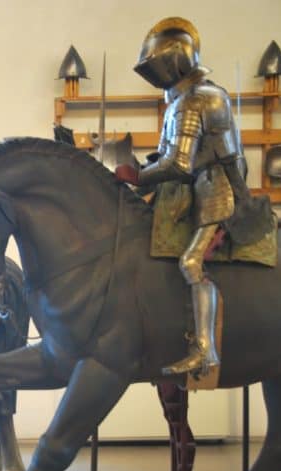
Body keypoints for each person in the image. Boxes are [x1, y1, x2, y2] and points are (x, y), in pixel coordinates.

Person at [115, 17, 270, 377]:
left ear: (174, 62)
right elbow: (164, 157)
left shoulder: (199, 100)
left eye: (156, 66)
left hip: (216, 189)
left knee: (190, 264)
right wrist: (137, 174)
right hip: (194, 189)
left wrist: (138, 176)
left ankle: (205, 349)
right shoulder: (182, 100)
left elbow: (180, 163)